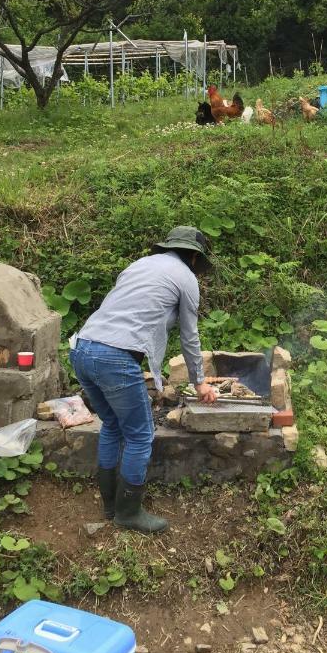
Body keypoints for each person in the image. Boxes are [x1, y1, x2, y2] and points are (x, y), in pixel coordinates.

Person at [70, 226, 218, 535]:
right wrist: (200, 381)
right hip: (114, 358)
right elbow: (190, 337)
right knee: (140, 434)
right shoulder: (186, 277)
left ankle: (111, 506)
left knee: (112, 425)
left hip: (82, 348)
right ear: (194, 256)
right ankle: (128, 513)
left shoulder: (138, 265)